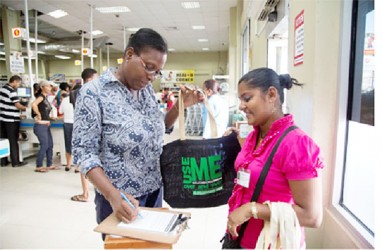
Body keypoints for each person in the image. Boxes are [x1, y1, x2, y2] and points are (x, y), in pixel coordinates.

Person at [72, 28, 202, 237]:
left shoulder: (146, 90)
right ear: (129, 54)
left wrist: (180, 107)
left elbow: (158, 127)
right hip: (119, 199)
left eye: (157, 72)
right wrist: (113, 196)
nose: (152, 77)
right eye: (149, 68)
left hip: (153, 191)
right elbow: (84, 154)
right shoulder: (93, 93)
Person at [225, 68, 324, 248]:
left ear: (271, 95)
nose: (241, 106)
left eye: (247, 99)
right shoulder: (255, 135)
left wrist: (251, 209)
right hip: (241, 239)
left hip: (271, 243)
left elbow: (312, 216)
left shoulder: (296, 144)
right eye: (240, 100)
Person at [66, 68, 98, 202]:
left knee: (86, 163)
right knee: (86, 163)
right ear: (89, 79)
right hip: (89, 132)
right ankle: (86, 193)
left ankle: (87, 192)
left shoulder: (75, 93)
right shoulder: (90, 92)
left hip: (84, 131)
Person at [31, 80, 60, 173]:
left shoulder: (46, 98)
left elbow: (44, 111)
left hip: (46, 125)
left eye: (50, 87)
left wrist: (50, 117)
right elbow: (33, 104)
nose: (49, 88)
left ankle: (49, 164)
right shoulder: (41, 97)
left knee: (50, 145)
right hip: (40, 126)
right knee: (44, 145)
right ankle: (38, 165)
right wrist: (38, 114)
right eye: (47, 86)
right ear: (42, 87)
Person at [0, 75, 28, 167]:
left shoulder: (2, 89)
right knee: (13, 140)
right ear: (15, 81)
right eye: (19, 83)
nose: (18, 85)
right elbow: (18, 105)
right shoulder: (12, 91)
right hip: (12, 119)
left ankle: (3, 161)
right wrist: (26, 108)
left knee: (4, 140)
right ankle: (15, 162)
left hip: (2, 118)